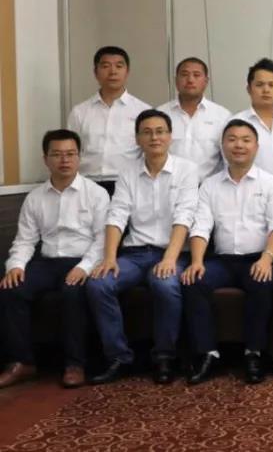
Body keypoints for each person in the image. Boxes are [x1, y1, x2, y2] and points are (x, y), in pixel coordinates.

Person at [85, 109, 199, 385]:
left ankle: (165, 356)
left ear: (170, 136)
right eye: (146, 132)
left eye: (160, 131)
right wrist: (109, 257)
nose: (154, 137)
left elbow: (185, 216)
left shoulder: (186, 170)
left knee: (165, 284)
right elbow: (117, 215)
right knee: (99, 283)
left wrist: (169, 259)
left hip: (173, 253)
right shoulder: (128, 173)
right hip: (135, 253)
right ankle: (118, 357)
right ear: (137, 139)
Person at [0, 130, 109, 389]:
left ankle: (75, 364)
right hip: (47, 262)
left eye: (70, 154)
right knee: (11, 289)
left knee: (72, 292)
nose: (64, 160)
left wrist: (84, 267)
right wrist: (15, 266)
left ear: (79, 157)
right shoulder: (35, 197)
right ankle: (22, 362)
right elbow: (25, 240)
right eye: (57, 154)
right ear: (46, 159)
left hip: (82, 260)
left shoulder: (96, 194)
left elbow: (102, 240)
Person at [181, 119, 273, 385]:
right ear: (223, 145)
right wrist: (196, 261)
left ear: (256, 147)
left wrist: (267, 259)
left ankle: (254, 353)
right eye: (232, 139)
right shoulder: (210, 185)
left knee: (262, 281)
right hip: (222, 260)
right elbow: (201, 227)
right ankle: (208, 353)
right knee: (193, 281)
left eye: (245, 140)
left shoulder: (271, 184)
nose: (239, 145)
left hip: (258, 258)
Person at [66, 46, 151, 191]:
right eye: (106, 66)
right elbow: (70, 151)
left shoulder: (143, 111)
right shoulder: (80, 112)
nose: (113, 72)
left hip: (127, 184)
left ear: (127, 72)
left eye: (119, 66)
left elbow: (149, 151)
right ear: (95, 72)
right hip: (87, 183)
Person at [158, 57, 231, 181]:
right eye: (184, 74)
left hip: (208, 187)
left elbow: (229, 159)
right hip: (169, 185)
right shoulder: (160, 114)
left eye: (196, 75)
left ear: (206, 81)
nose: (190, 80)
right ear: (176, 80)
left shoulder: (222, 116)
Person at [232, 58, 273, 182]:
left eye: (271, 85)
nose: (266, 90)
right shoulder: (235, 124)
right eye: (259, 85)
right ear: (249, 89)